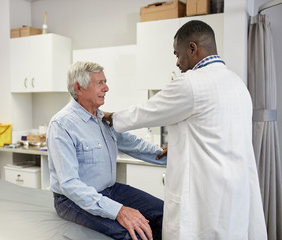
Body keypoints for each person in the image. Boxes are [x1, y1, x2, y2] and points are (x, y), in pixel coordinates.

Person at [104, 20, 267, 239]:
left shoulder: (191, 83)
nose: (177, 62)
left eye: (177, 54)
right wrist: (182, 145)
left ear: (192, 48)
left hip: (206, 195)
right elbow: (217, 131)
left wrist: (110, 117)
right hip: (235, 190)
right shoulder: (236, 83)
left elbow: (147, 112)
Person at [47, 61, 167, 240]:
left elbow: (134, 144)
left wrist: (170, 157)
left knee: (164, 214)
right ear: (78, 88)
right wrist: (118, 211)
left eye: (105, 81)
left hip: (110, 190)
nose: (107, 88)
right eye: (100, 83)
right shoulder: (62, 125)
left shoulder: (103, 119)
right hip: (71, 200)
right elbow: (70, 184)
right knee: (133, 233)